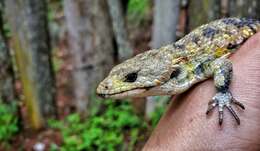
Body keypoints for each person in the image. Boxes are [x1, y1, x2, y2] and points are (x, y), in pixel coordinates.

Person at [143, 32, 260, 151]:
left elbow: (222, 64)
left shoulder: (195, 65)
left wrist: (223, 92)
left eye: (132, 78)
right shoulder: (183, 69)